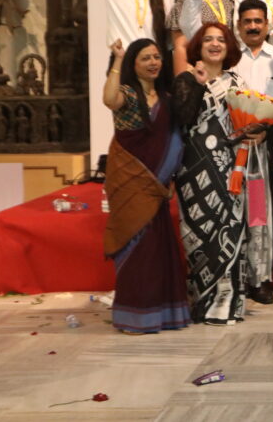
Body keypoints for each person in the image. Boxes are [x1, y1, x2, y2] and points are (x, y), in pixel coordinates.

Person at [181, 0, 273, 306]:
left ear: (266, 25)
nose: (252, 26)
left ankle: (259, 278)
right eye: (246, 21)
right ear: (239, 25)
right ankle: (231, 273)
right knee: (229, 217)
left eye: (258, 21)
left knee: (260, 216)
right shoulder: (231, 61)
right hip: (226, 153)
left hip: (263, 148)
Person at [101, 38, 190, 334]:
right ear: (133, 65)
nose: (153, 62)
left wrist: (172, 177)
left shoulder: (166, 99)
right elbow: (109, 99)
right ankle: (134, 316)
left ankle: (162, 314)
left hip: (159, 187)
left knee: (157, 249)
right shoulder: (127, 94)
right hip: (130, 183)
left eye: (156, 57)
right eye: (145, 58)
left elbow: (175, 141)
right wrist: (117, 59)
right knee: (138, 249)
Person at [171, 23, 255, 325]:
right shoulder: (186, 79)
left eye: (221, 40)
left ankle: (229, 305)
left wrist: (257, 132)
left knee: (231, 231)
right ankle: (203, 303)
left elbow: (247, 122)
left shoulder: (236, 81)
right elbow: (181, 120)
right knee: (199, 234)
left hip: (232, 169)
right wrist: (198, 84)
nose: (215, 44)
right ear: (199, 46)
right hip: (194, 171)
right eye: (208, 40)